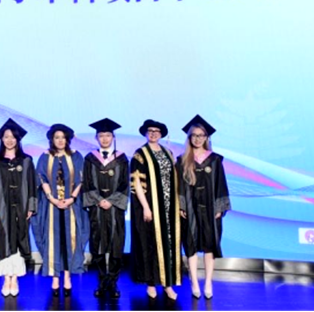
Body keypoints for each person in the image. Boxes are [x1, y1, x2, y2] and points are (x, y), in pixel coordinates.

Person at [177, 115, 231, 300]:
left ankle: (208, 282)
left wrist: (220, 207)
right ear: (189, 138)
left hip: (210, 209)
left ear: (207, 137)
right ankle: (194, 281)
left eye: (201, 135)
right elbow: (179, 186)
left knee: (210, 246)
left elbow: (221, 185)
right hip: (190, 208)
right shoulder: (182, 160)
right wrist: (181, 206)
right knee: (190, 245)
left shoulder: (215, 160)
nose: (197, 138)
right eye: (194, 135)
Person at [33, 124, 89, 297]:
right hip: (51, 205)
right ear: (52, 139)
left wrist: (72, 198)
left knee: (69, 240)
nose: (60, 140)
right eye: (57, 137)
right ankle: (55, 277)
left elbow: (81, 180)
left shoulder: (76, 156)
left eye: (63, 137)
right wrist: (52, 198)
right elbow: (42, 178)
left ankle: (67, 277)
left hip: (72, 205)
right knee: (53, 241)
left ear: (67, 139)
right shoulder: (45, 157)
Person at [130, 119, 181, 301]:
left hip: (169, 207)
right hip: (151, 206)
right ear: (145, 133)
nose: (153, 134)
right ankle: (151, 284)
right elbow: (136, 182)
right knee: (150, 244)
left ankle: (168, 284)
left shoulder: (168, 153)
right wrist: (146, 207)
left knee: (169, 245)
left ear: (161, 134)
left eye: (156, 131)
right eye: (150, 131)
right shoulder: (140, 154)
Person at [0, 118, 37, 297]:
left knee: (19, 239)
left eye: (13, 137)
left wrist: (31, 206)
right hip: (2, 207)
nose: (9, 140)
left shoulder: (26, 160)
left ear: (18, 139)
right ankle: (6, 279)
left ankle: (14, 278)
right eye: (6, 137)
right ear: (2, 139)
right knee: (3, 240)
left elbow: (32, 185)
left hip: (22, 207)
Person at [82, 118, 130, 299]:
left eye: (108, 135)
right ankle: (102, 282)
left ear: (113, 137)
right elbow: (87, 183)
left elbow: (125, 184)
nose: (104, 138)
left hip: (115, 209)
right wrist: (98, 200)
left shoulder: (122, 159)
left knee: (116, 245)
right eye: (101, 135)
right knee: (98, 245)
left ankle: (113, 282)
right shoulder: (90, 159)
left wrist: (111, 200)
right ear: (96, 138)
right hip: (97, 208)